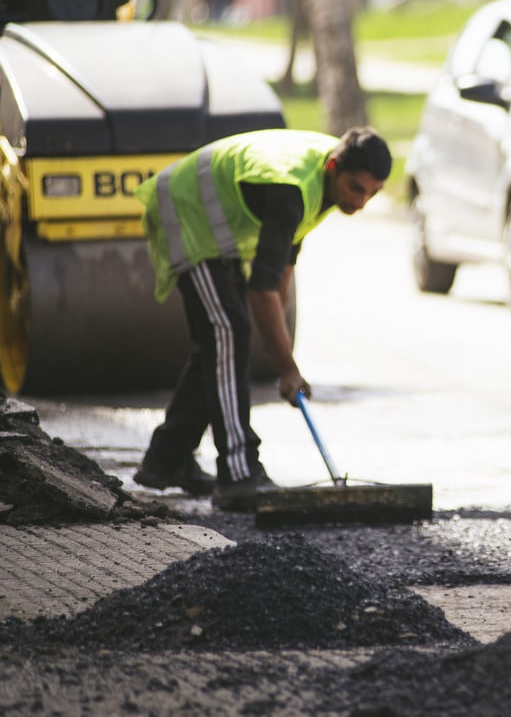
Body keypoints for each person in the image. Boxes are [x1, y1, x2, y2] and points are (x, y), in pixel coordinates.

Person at [131, 126, 391, 512]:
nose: (362, 201)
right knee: (228, 332)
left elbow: (279, 276)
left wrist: (280, 351)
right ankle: (239, 472)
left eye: (372, 192)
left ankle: (166, 460)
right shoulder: (292, 188)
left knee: (221, 344)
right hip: (187, 212)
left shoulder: (324, 184)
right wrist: (287, 368)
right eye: (356, 188)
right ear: (335, 167)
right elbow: (261, 291)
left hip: (220, 233)